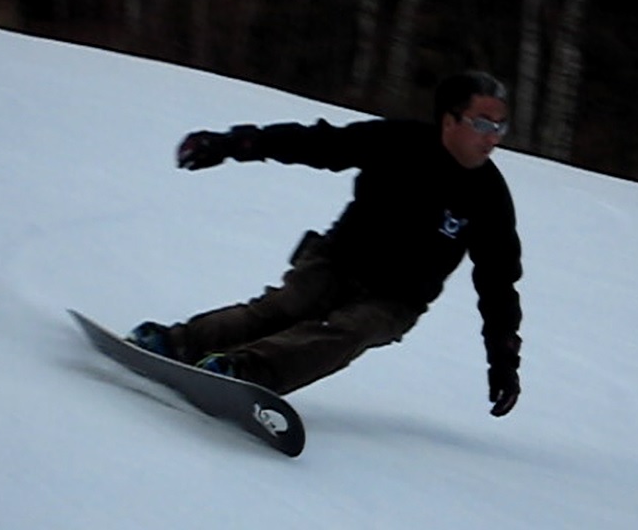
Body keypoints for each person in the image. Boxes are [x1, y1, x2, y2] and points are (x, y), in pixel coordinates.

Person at [129, 70, 523, 417]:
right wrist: (231, 144)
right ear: (449, 120)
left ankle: (244, 372)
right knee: (282, 309)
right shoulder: (396, 141)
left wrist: (503, 363)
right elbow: (317, 143)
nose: (492, 138)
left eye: (500, 127)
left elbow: (498, 284)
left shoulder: (490, 197)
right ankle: (175, 344)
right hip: (337, 261)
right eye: (482, 124)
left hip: (395, 299)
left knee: (349, 331)